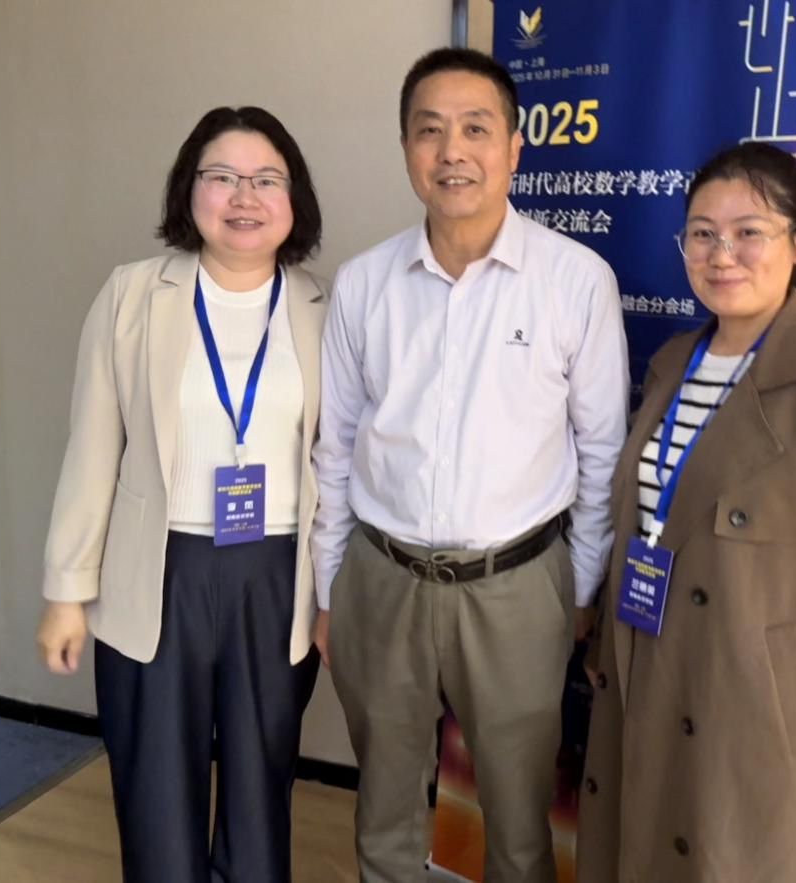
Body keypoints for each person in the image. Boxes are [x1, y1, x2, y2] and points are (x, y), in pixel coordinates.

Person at [311, 47, 629, 883]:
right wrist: (328, 589)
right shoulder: (363, 284)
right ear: (406, 149)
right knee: (384, 814)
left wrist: (579, 590)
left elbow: (603, 454)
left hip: (518, 588)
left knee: (520, 826)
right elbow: (334, 447)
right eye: (430, 131)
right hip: (382, 582)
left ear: (515, 147)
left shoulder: (575, 280)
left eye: (476, 129)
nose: (452, 151)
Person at [576, 142, 796, 882]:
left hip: (750, 697)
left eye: (749, 232)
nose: (722, 254)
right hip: (648, 665)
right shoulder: (673, 362)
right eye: (702, 233)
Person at [35, 106, 328, 882]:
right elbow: (92, 447)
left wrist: (337, 594)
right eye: (221, 176)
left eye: (266, 179)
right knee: (157, 787)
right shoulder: (133, 294)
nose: (244, 196)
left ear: (293, 197)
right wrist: (66, 591)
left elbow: (340, 465)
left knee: (262, 784)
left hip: (277, 576)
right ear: (187, 189)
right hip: (158, 571)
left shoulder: (323, 307)